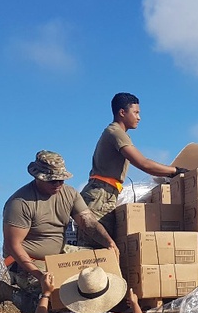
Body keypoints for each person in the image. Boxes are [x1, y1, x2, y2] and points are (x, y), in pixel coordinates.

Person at [0, 150, 120, 313]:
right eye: (53, 180)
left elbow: (88, 222)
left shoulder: (70, 194)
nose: (58, 184)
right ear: (38, 177)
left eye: (61, 180)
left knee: (99, 274)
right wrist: (40, 276)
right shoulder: (20, 203)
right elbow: (13, 246)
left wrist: (109, 243)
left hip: (59, 255)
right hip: (27, 260)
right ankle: (3, 291)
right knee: (54, 305)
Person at [79, 92, 187, 242]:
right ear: (122, 112)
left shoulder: (115, 132)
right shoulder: (116, 132)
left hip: (104, 193)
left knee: (103, 247)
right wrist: (175, 171)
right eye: (135, 112)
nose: (139, 117)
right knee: (97, 248)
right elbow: (143, 163)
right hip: (101, 195)